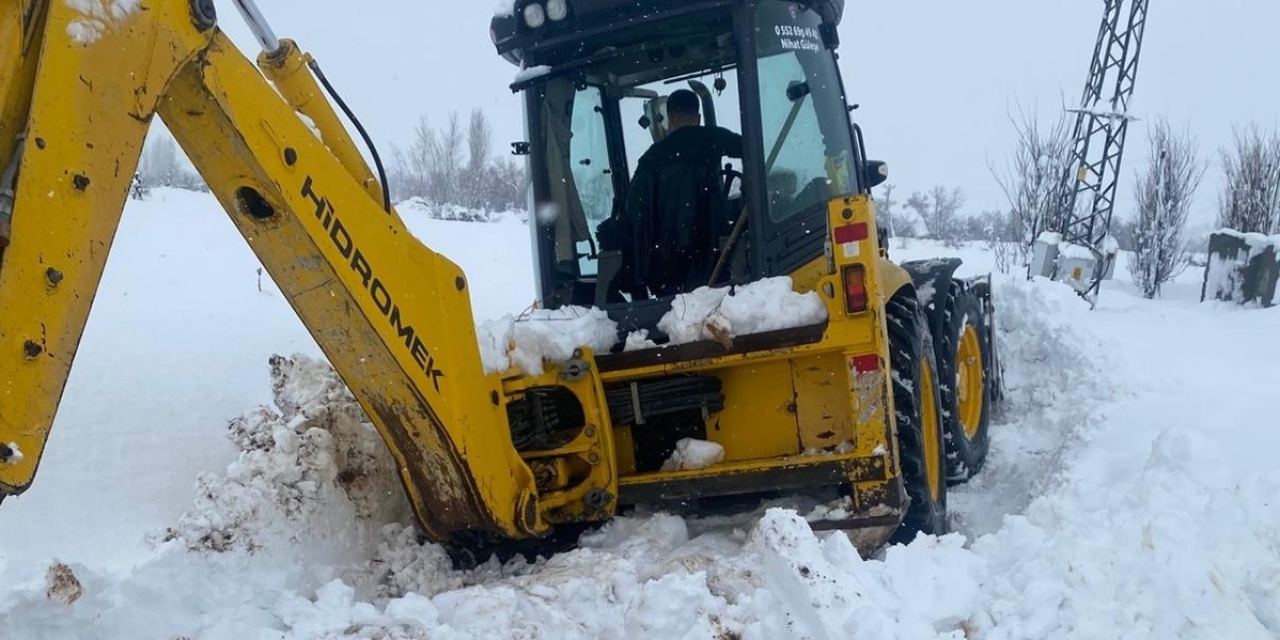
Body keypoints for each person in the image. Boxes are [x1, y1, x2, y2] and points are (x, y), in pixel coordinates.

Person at [616, 89, 743, 297]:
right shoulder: (713, 138)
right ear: (699, 118)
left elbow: (635, 211)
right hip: (713, 259)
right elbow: (750, 148)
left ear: (670, 117)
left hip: (667, 266)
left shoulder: (651, 158)